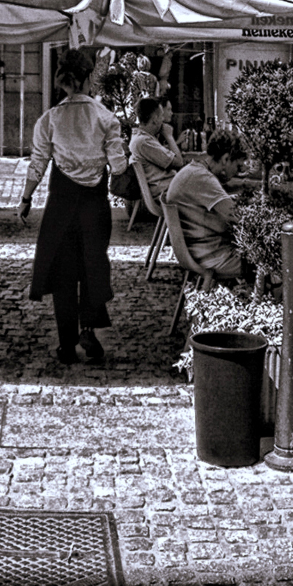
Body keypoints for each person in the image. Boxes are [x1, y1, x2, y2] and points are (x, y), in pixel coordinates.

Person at [21, 48, 128, 366]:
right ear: (88, 78)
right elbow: (118, 167)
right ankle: (88, 331)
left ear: (63, 81)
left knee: (63, 274)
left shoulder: (50, 119)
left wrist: (26, 199)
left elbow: (37, 164)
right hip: (94, 206)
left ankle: (66, 344)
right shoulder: (105, 118)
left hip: (61, 203)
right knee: (92, 267)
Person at [165, 130, 250, 283]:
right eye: (238, 167)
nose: (239, 172)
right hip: (212, 257)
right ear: (225, 159)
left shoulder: (194, 170)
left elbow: (225, 191)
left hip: (198, 251)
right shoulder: (203, 178)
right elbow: (238, 216)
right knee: (275, 258)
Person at [127, 96, 183, 218]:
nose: (163, 120)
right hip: (167, 193)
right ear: (154, 119)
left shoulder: (143, 138)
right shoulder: (144, 142)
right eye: (161, 116)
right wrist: (169, 136)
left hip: (169, 188)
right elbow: (179, 162)